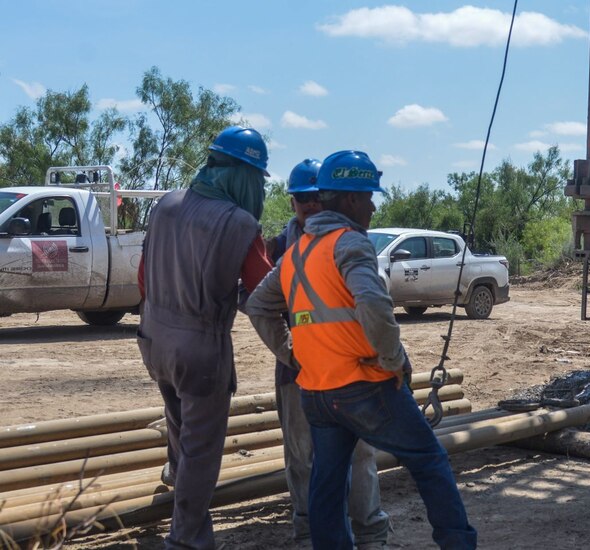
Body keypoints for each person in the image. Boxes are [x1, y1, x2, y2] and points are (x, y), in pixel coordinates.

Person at [245, 150, 477, 550]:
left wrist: (293, 356)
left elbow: (258, 305)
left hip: (316, 393)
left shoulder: (296, 253)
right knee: (429, 460)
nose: (372, 206)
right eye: (369, 197)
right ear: (350, 200)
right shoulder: (350, 243)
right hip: (365, 386)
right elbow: (372, 304)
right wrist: (394, 360)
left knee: (327, 484)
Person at [136, 125, 273, 549]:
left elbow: (142, 278)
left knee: (179, 426)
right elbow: (264, 290)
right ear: (243, 176)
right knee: (201, 449)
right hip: (201, 352)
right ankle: (187, 538)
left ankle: (177, 486)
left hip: (153, 339)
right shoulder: (238, 223)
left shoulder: (165, 206)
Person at [268, 158, 390, 548]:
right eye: (301, 199)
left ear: (326, 197)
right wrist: (290, 352)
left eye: (314, 198)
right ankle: (309, 534)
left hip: (352, 372)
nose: (309, 206)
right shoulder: (277, 249)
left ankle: (370, 532)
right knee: (302, 458)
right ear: (293, 203)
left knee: (359, 456)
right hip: (299, 374)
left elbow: (371, 301)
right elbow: (257, 303)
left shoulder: (348, 243)